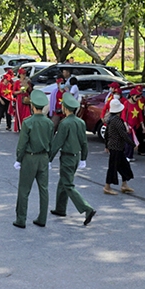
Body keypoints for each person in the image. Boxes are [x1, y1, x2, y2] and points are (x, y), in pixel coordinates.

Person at [49, 93, 95, 225]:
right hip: (76, 157)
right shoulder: (80, 122)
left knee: (67, 184)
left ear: (65, 108)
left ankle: (87, 208)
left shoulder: (65, 123)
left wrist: (49, 159)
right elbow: (84, 142)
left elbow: (57, 142)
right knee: (63, 182)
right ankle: (60, 208)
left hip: (67, 157)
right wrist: (84, 158)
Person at [13, 90, 53, 228]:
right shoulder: (49, 123)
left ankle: (21, 219)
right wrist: (49, 159)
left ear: (32, 106)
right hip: (43, 157)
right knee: (44, 189)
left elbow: (22, 143)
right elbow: (51, 142)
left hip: (30, 158)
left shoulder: (28, 122)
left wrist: (18, 159)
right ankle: (42, 218)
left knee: (24, 190)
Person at [103, 98, 135, 195]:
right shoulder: (117, 121)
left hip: (116, 147)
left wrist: (106, 145)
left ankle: (124, 184)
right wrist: (132, 144)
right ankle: (107, 187)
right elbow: (123, 134)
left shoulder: (111, 120)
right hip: (116, 147)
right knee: (113, 167)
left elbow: (106, 134)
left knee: (123, 165)